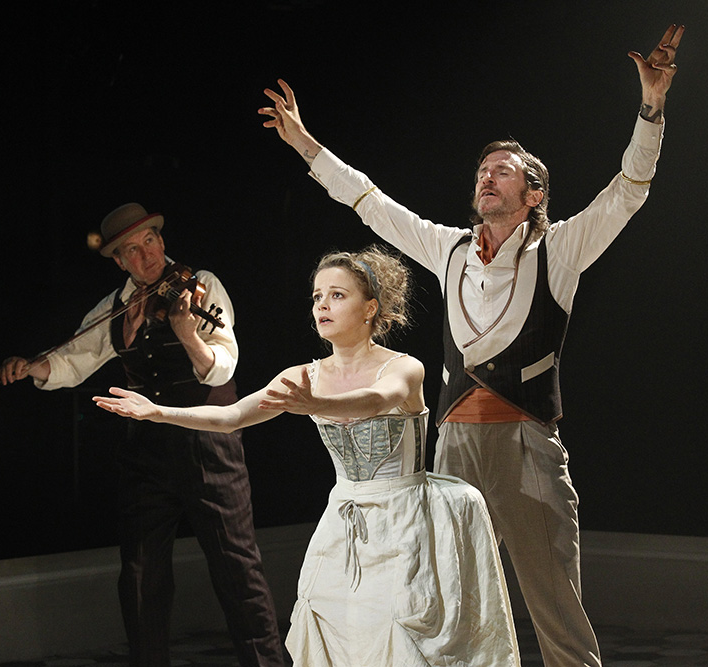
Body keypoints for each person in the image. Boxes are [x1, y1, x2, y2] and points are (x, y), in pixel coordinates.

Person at [257, 25, 685, 667]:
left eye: (503, 172)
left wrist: (650, 107)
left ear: (533, 194)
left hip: (523, 443)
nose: (487, 177)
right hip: (451, 445)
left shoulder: (559, 250)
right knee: (449, 606)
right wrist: (306, 145)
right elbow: (371, 203)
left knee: (553, 609)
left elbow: (628, 190)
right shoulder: (448, 247)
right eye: (483, 170)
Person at [95, 246, 521, 667]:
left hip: (404, 517)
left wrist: (314, 404)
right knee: (334, 628)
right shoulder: (303, 377)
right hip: (344, 520)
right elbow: (230, 416)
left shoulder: (403, 367)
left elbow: (374, 400)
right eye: (318, 296)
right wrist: (158, 412)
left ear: (370, 308)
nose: (323, 305)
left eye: (337, 295)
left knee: (397, 630)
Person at [0, 202, 284, 667]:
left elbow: (222, 368)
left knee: (236, 568)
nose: (146, 256)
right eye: (133, 250)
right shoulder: (115, 306)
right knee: (139, 574)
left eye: (150, 242)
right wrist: (32, 367)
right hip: (146, 452)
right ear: (119, 261)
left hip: (207, 446)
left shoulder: (200, 286)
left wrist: (189, 334)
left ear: (161, 242)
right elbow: (74, 359)